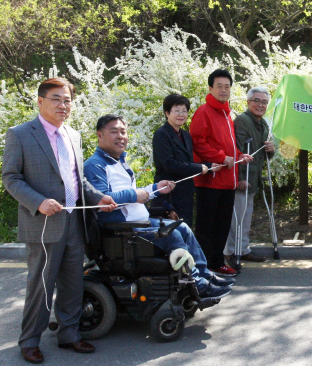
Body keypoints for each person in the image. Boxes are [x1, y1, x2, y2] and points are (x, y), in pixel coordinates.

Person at [1, 78, 118, 363]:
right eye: (56, 99)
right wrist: (38, 202)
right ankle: (30, 340)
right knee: (41, 285)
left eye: (67, 100)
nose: (63, 105)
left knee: (72, 282)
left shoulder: (73, 135)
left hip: (73, 222)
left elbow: (79, 180)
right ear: (40, 101)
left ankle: (69, 333)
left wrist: (98, 197)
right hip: (42, 223)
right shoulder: (20, 134)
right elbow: (11, 177)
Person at [84, 114, 235, 301]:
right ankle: (196, 283)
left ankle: (203, 275)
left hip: (137, 223)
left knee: (182, 227)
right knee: (172, 234)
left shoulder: (120, 162)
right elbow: (101, 199)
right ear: (100, 135)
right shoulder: (95, 165)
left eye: (123, 132)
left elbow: (136, 194)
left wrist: (156, 188)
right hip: (122, 231)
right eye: (113, 132)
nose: (120, 136)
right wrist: (134, 195)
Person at [190, 69, 253, 277]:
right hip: (210, 181)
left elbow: (229, 147)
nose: (224, 90)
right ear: (210, 88)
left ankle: (216, 263)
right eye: (219, 86)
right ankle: (204, 267)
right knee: (206, 228)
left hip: (227, 181)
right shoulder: (203, 112)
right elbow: (198, 142)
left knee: (222, 226)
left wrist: (239, 155)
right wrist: (219, 157)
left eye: (227, 86)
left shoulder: (227, 114)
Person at [152, 94, 222, 227]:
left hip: (186, 194)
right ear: (167, 113)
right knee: (170, 235)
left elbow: (188, 162)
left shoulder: (185, 135)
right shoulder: (161, 134)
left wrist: (209, 166)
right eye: (176, 110)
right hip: (169, 194)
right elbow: (169, 164)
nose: (181, 114)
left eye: (184, 111)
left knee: (186, 231)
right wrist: (199, 168)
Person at [224, 87, 276, 266]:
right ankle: (231, 251)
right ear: (248, 102)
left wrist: (271, 150)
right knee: (237, 217)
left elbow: (263, 154)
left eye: (264, 102)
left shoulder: (263, 124)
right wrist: (239, 178)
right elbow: (237, 150)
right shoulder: (242, 121)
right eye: (257, 101)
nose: (260, 105)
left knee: (246, 217)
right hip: (243, 177)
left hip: (254, 178)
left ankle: (243, 249)